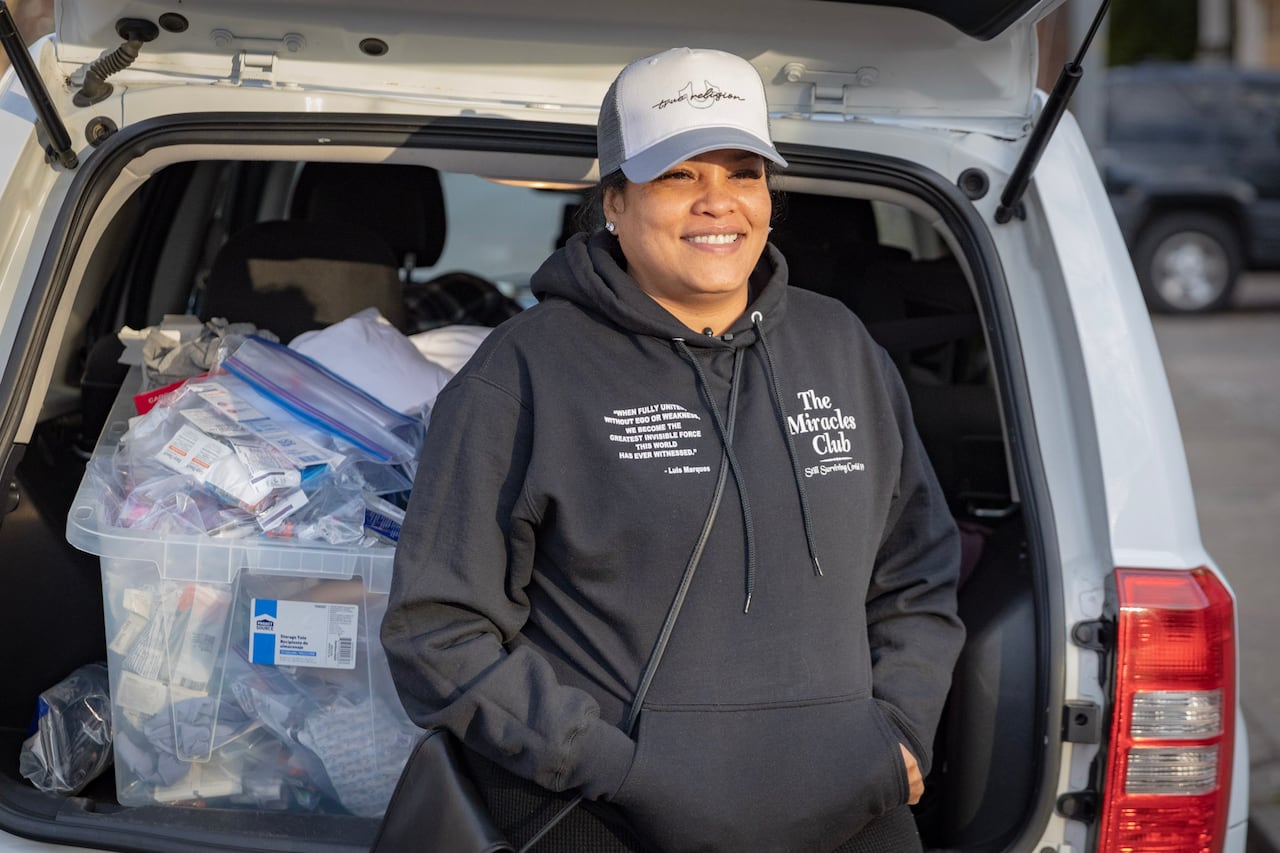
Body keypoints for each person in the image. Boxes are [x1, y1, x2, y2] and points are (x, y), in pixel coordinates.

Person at [381, 46, 965, 853]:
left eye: (743, 173)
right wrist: (611, 766)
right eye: (679, 175)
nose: (717, 203)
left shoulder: (841, 345)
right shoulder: (524, 371)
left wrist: (898, 730)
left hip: (853, 816)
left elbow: (918, 568)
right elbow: (436, 628)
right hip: (611, 820)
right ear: (614, 202)